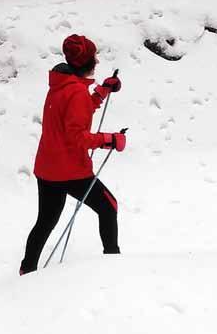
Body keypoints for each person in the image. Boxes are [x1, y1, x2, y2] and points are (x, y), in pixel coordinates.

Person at [19, 34, 126, 275]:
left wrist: (101, 91)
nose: (97, 61)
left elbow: (75, 112)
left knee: (45, 222)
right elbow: (77, 137)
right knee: (109, 207)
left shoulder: (61, 85)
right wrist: (110, 140)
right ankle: (114, 264)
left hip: (47, 169)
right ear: (87, 62)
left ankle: (26, 270)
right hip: (70, 171)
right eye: (94, 57)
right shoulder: (75, 92)